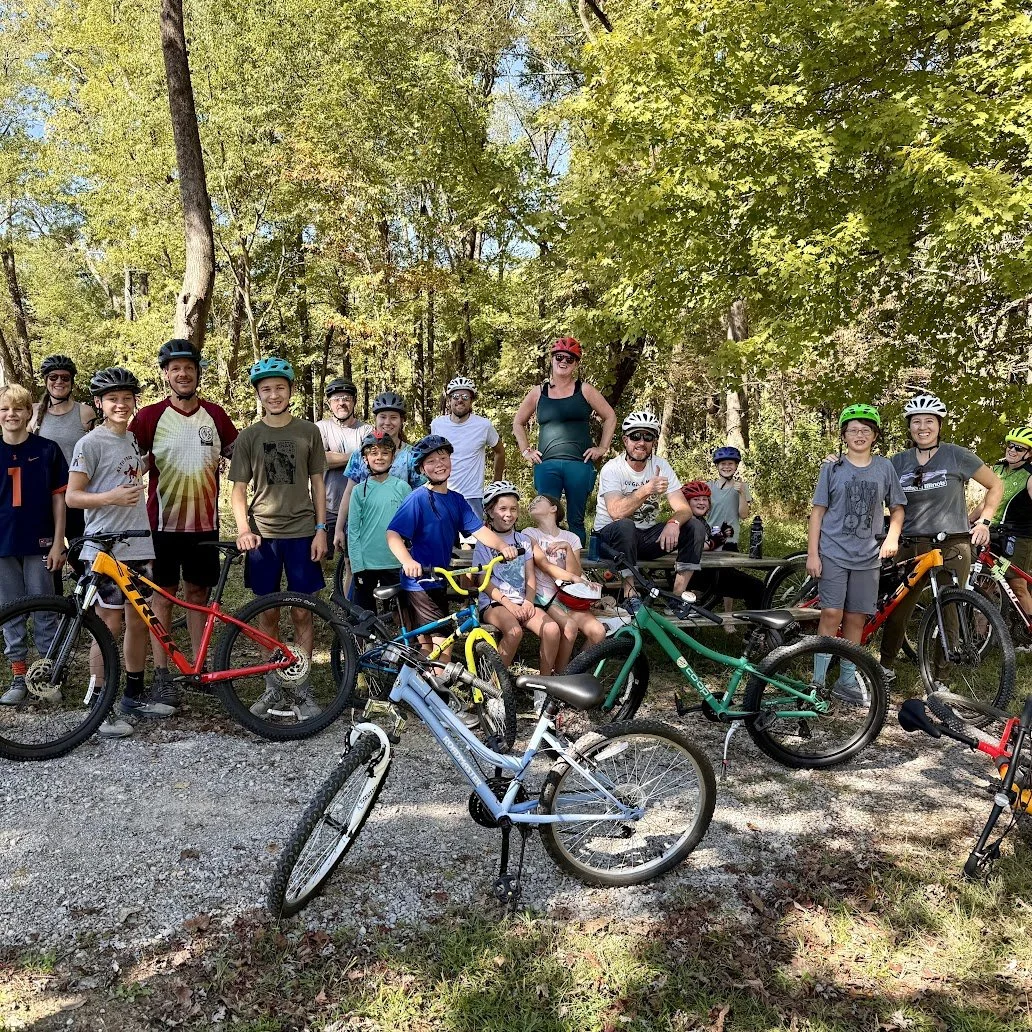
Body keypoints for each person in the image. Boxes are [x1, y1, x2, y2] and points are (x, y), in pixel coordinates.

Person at [66, 367, 174, 738]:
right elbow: (72, 496)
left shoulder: (130, 438)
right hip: (104, 548)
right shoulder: (89, 443)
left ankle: (132, 693)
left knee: (139, 619)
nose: (120, 404)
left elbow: (130, 472)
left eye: (127, 398)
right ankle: (100, 703)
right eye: (113, 398)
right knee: (106, 625)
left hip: (138, 543)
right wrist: (110, 497)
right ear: (99, 403)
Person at [130, 340, 238, 700]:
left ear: (197, 372)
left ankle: (199, 668)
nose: (182, 374)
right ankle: (162, 674)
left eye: (188, 368)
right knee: (162, 598)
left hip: (204, 525)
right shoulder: (148, 416)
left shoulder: (216, 415)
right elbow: (130, 457)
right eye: (175, 368)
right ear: (166, 374)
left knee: (199, 596)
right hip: (161, 525)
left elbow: (239, 456)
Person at [880, 393, 1003, 684]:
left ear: (939, 425)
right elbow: (871, 484)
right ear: (909, 427)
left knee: (950, 608)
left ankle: (941, 677)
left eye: (929, 421)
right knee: (898, 606)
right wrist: (839, 462)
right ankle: (885, 666)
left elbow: (995, 484)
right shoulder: (897, 462)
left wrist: (985, 521)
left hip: (953, 543)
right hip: (911, 542)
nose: (923, 427)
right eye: (917, 422)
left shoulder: (957, 454)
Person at [229, 357, 327, 719]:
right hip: (262, 536)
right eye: (266, 389)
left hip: (302, 533)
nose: (274, 395)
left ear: (290, 391)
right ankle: (272, 686)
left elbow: (318, 484)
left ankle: (301, 690)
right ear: (258, 394)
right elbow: (238, 490)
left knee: (303, 612)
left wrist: (321, 529)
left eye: (280, 388)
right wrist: (243, 529)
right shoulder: (250, 436)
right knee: (266, 613)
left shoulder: (308, 432)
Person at [806, 406, 906, 700]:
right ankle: (818, 681)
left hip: (868, 555)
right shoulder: (832, 468)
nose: (859, 435)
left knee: (856, 618)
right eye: (853, 430)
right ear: (843, 435)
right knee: (831, 612)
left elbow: (897, 508)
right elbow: (818, 513)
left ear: (875, 435)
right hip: (833, 551)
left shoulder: (884, 468)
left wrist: (893, 536)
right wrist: (813, 553)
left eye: (865, 430)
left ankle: (846, 680)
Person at [385, 435, 517, 651]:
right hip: (419, 581)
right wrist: (408, 561)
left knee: (429, 646)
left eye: (443, 458)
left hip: (439, 578)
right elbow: (393, 534)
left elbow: (479, 530)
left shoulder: (456, 499)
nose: (439, 464)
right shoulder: (418, 498)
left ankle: (422, 679)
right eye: (431, 461)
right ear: (421, 469)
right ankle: (432, 678)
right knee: (443, 646)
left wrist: (502, 546)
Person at [0, 384, 68, 705]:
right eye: (5, 409)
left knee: (45, 609)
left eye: (18, 409)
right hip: (2, 546)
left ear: (30, 413)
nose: (11, 414)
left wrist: (58, 543)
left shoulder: (48, 450)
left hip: (40, 543)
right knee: (10, 610)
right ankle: (18, 675)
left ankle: (45, 676)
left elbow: (59, 501)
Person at [594, 410, 700, 614]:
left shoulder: (661, 465)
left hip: (643, 538)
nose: (641, 442)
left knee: (694, 526)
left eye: (648, 436)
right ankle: (630, 595)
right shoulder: (612, 468)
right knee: (625, 525)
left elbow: (684, 509)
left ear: (654, 442)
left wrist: (674, 523)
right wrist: (646, 489)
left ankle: (677, 597)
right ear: (625, 440)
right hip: (609, 540)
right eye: (635, 436)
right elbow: (616, 512)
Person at [513, 337, 617, 544]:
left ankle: (575, 567)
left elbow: (610, 416)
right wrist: (526, 451)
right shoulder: (538, 392)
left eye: (570, 359)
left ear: (576, 364)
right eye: (559, 357)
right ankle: (547, 568)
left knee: (576, 519)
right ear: (552, 360)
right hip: (546, 463)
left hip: (579, 464)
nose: (564, 362)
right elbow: (518, 422)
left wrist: (603, 447)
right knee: (546, 517)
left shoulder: (584, 390)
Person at [474, 481, 563, 674]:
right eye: (503, 508)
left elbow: (531, 575)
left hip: (523, 602)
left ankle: (543, 686)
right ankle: (493, 685)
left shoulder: (523, 540)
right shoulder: (484, 542)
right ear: (490, 512)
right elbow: (483, 582)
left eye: (513, 509)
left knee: (552, 630)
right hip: (496, 603)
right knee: (514, 632)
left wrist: (529, 602)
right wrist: (510, 605)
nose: (509, 514)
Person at [29, 354, 95, 588]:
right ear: (45, 380)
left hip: (76, 496)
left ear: (72, 382)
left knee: (82, 554)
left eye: (65, 377)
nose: (59, 382)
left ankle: (87, 607)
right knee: (50, 558)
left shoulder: (85, 413)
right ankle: (54, 609)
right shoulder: (34, 412)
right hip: (44, 496)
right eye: (53, 377)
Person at [523, 492, 606, 664]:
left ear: (554, 508)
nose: (533, 503)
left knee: (598, 632)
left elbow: (575, 573)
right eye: (532, 502)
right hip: (545, 596)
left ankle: (577, 666)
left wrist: (567, 548)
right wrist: (576, 579)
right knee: (570, 627)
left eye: (539, 500)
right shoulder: (529, 533)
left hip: (570, 597)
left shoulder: (571, 538)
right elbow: (543, 565)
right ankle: (561, 675)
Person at [336, 390, 424, 553]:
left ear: (402, 421)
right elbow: (348, 492)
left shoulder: (412, 456)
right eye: (383, 417)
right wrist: (339, 529)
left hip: (400, 531)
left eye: (393, 417)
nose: (387, 422)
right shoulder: (359, 454)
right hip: (363, 530)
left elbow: (420, 495)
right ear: (375, 419)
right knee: (354, 573)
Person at [971, 425, 1032, 623]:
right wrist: (967, 519)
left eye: (1019, 448)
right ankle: (982, 636)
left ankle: (1028, 631)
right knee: (983, 582)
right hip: (991, 530)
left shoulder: (1030, 475)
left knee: (1017, 585)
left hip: (1018, 536)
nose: (1012, 450)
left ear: (1029, 453)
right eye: (1010, 446)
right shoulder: (998, 468)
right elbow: (986, 502)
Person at [347, 429, 411, 612]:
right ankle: (368, 642)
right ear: (365, 458)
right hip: (367, 563)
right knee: (364, 613)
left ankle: (401, 641)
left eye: (385, 453)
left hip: (395, 561)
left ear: (393, 457)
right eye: (373, 453)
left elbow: (410, 525)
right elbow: (353, 530)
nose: (380, 457)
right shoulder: (359, 491)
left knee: (401, 611)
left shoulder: (402, 488)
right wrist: (357, 565)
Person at [679, 481, 765, 613]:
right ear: (687, 502)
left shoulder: (699, 521)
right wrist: (717, 540)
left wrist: (719, 536)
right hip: (701, 575)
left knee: (752, 585)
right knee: (756, 587)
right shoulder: (690, 522)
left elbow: (708, 540)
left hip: (707, 571)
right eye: (696, 499)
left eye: (704, 499)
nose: (701, 503)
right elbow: (697, 545)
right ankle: (760, 628)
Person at [430, 376, 505, 521]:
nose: (460, 400)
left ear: (471, 400)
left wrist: (496, 483)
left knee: (475, 541)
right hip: (443, 492)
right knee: (445, 541)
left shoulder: (484, 425)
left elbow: (500, 451)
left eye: (465, 396)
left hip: (472, 496)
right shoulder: (437, 425)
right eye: (455, 396)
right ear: (449, 400)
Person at [316, 378, 370, 551]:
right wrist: (357, 455)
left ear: (354, 401)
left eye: (346, 398)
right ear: (329, 403)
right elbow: (319, 460)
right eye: (336, 399)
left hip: (359, 505)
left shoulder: (366, 430)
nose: (341, 403)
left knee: (352, 558)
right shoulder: (320, 428)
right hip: (326, 505)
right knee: (319, 554)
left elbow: (371, 461)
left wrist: (334, 457)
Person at [706, 445, 755, 618]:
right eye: (723, 464)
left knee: (729, 581)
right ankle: (696, 610)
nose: (727, 467)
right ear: (717, 466)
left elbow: (744, 514)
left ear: (736, 466)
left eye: (731, 464)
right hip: (710, 538)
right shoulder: (708, 486)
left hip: (730, 539)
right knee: (702, 577)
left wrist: (741, 493)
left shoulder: (742, 486)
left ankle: (728, 617)